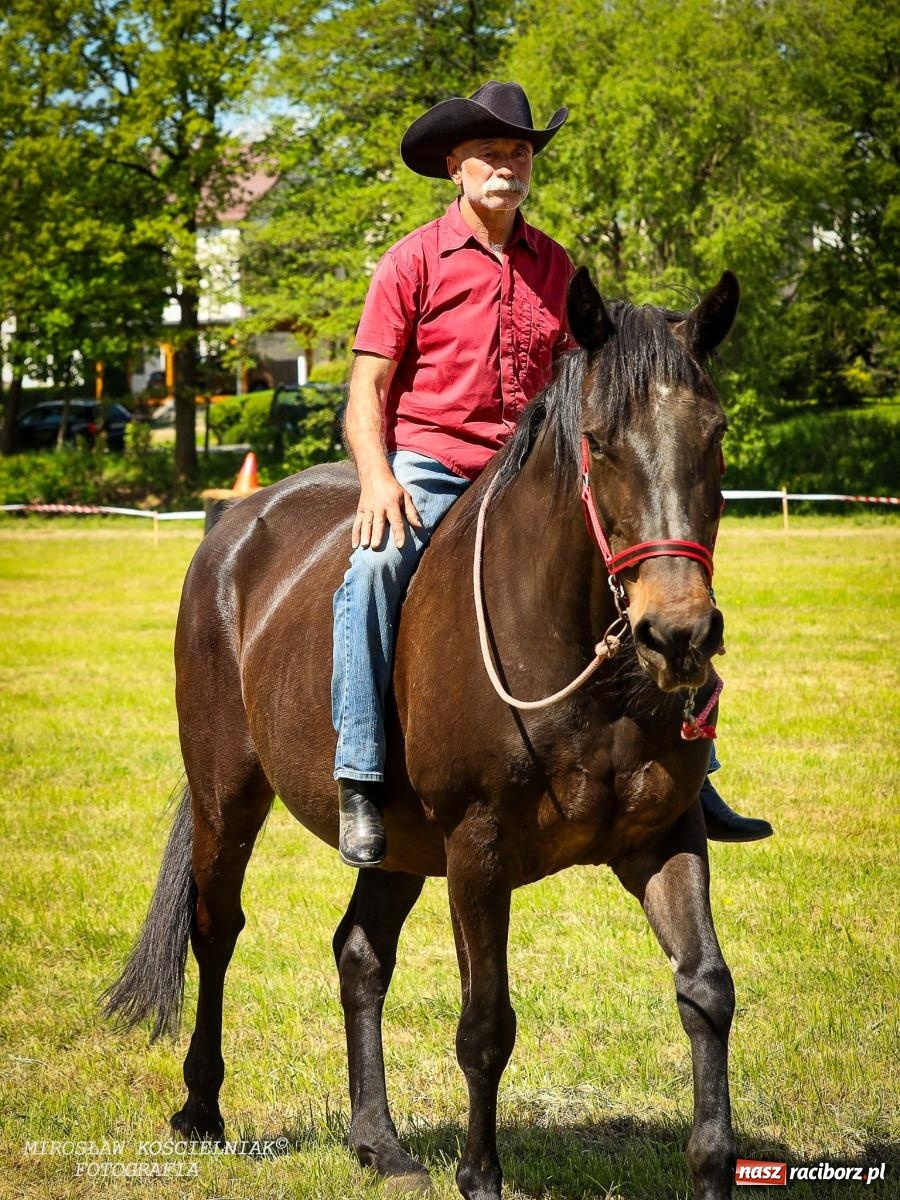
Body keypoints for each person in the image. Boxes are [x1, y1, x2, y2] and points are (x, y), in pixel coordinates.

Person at [332, 81, 772, 867]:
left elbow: (592, 385)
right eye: (492, 153)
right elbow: (366, 385)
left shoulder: (558, 266)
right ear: (455, 169)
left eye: (521, 152)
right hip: (432, 465)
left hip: (528, 472)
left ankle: (692, 770)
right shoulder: (410, 263)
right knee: (373, 569)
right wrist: (377, 479)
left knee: (662, 568)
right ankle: (361, 775)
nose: (510, 165)